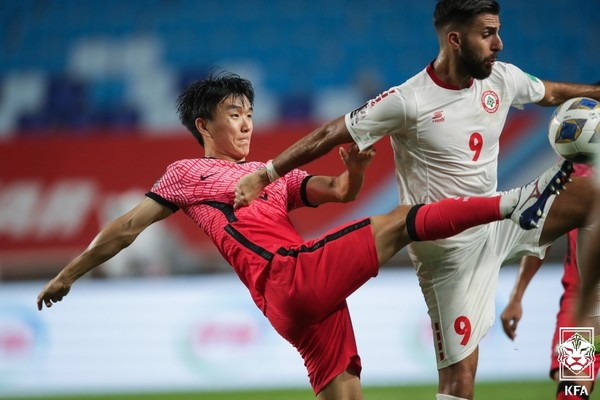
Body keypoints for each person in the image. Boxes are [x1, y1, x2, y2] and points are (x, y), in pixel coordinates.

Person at [37, 73, 570, 400]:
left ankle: (574, 384)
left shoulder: (270, 174)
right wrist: (68, 275)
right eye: (234, 116)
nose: (246, 125)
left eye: (249, 115)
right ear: (204, 125)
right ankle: (518, 203)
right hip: (287, 275)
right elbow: (126, 228)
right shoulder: (184, 174)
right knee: (404, 219)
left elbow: (339, 191)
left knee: (346, 394)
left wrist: (357, 170)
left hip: (302, 300)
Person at [234, 1, 600, 398]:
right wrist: (267, 174)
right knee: (460, 382)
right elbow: (329, 134)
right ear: (455, 40)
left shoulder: (503, 79)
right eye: (488, 34)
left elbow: (553, 92)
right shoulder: (409, 100)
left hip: (503, 219)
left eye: (497, 31)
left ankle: (577, 367)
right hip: (448, 251)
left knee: (591, 201)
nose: (499, 43)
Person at [500, 162, 599, 400]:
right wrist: (516, 296)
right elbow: (542, 238)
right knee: (571, 393)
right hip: (580, 312)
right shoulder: (572, 173)